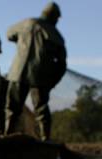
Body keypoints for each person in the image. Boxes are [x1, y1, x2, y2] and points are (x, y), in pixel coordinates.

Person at [4, 2, 67, 141]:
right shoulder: (55, 34)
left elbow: (9, 34)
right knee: (41, 110)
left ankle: (7, 137)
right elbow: (62, 64)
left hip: (17, 73)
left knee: (12, 109)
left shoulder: (26, 23)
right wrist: (52, 82)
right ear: (54, 17)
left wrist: (23, 40)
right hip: (40, 77)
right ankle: (45, 139)